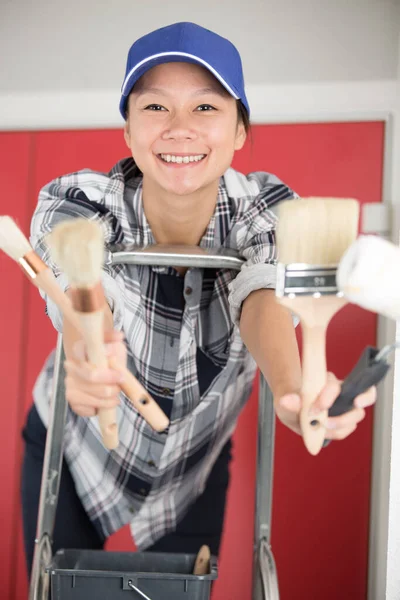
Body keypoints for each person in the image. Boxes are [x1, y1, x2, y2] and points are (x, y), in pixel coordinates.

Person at [21, 21, 376, 576]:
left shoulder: (270, 210)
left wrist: (289, 389)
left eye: (206, 108)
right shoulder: (80, 199)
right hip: (73, 447)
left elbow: (264, 294)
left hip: (193, 464)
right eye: (156, 108)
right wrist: (92, 347)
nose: (179, 129)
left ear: (240, 129)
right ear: (129, 129)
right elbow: (79, 284)